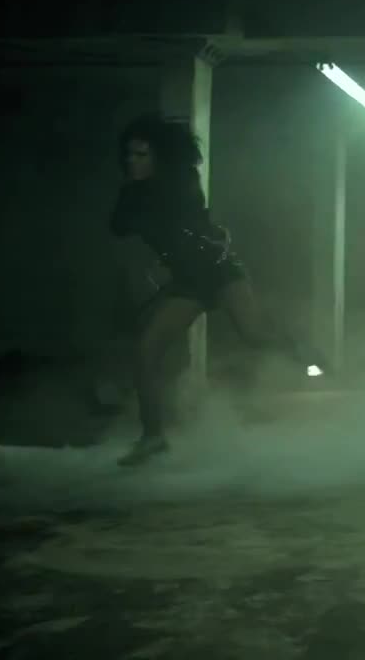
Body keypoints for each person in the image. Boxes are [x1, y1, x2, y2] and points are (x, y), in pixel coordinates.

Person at [108, 113, 325, 467]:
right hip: (188, 281)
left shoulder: (180, 181)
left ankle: (304, 350)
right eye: (129, 154)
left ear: (160, 156)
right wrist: (134, 195)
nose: (133, 161)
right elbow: (118, 227)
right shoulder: (133, 192)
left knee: (253, 334)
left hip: (218, 268)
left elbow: (190, 220)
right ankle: (152, 437)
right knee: (145, 351)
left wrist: (177, 238)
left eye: (142, 154)